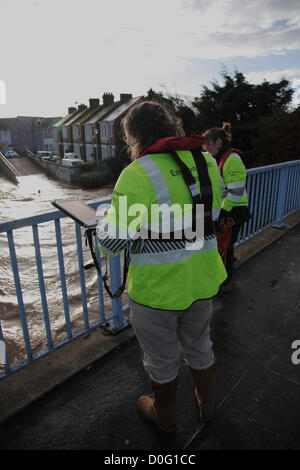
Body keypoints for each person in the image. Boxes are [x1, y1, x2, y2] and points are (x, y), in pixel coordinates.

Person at [96, 101, 227, 433]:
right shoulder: (207, 160)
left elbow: (110, 243)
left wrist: (102, 222)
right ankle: (206, 407)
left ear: (134, 136)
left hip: (158, 292)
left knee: (161, 359)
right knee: (200, 345)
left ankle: (164, 416)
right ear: (171, 125)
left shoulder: (137, 173)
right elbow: (208, 215)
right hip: (202, 280)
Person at [203, 123, 250, 291]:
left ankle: (224, 279)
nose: (207, 149)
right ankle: (225, 276)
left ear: (217, 141)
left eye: (208, 144)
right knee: (225, 244)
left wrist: (221, 212)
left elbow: (236, 191)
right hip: (230, 207)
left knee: (225, 245)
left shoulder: (232, 159)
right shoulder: (225, 157)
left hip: (234, 209)